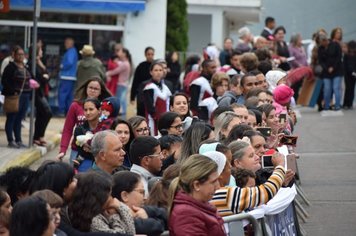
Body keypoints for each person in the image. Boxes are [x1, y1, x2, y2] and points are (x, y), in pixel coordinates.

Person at [168, 154, 226, 236]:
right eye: (213, 182)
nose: (218, 187)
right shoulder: (185, 215)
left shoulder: (200, 205)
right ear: (197, 185)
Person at [56, 77, 111, 162]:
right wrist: (63, 150)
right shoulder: (75, 105)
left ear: (101, 91)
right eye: (90, 88)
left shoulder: (105, 108)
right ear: (86, 88)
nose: (92, 90)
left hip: (97, 151)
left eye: (96, 89)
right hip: (77, 149)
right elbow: (68, 129)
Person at [66, 172, 135, 234]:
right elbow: (123, 234)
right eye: (109, 195)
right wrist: (115, 215)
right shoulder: (93, 220)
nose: (112, 198)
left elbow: (131, 230)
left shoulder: (101, 212)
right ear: (99, 197)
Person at [112, 171, 167, 236]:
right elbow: (156, 227)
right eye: (141, 192)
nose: (144, 197)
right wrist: (146, 219)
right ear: (125, 196)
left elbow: (165, 213)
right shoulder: (116, 217)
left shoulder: (140, 210)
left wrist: (145, 211)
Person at [1, 45, 32, 148]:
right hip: (14, 97)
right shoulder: (10, 67)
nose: (21, 56)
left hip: (25, 96)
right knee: (11, 118)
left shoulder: (26, 66)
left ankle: (18, 140)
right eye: (19, 54)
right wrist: (13, 91)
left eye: (22, 54)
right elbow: (4, 81)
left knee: (19, 118)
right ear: (13, 55)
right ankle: (11, 140)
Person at [28, 44, 52, 147]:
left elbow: (47, 75)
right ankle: (38, 136)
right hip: (37, 93)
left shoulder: (39, 63)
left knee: (41, 115)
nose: (42, 51)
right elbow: (37, 78)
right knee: (47, 113)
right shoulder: (31, 63)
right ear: (36, 52)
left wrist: (45, 76)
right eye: (40, 50)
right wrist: (45, 78)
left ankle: (38, 137)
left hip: (42, 92)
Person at [143, 60, 172, 135]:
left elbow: (168, 105)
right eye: (156, 70)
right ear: (151, 72)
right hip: (153, 120)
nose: (158, 72)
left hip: (165, 120)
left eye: (160, 70)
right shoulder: (149, 87)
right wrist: (158, 118)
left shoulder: (166, 87)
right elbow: (150, 108)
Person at [72, 98, 102, 172]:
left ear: (99, 110)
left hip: (102, 163)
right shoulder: (79, 129)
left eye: (91, 109)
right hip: (84, 162)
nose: (88, 112)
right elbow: (82, 150)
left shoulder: (105, 128)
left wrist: (90, 148)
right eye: (85, 110)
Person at [319, 28, 343, 112]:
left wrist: (333, 67)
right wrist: (327, 68)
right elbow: (321, 61)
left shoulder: (335, 45)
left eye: (323, 42)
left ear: (326, 40)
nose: (322, 44)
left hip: (337, 70)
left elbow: (338, 57)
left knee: (336, 88)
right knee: (327, 89)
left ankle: (337, 105)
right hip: (326, 72)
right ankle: (326, 106)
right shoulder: (320, 48)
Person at [106, 47, 132, 118]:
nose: (118, 53)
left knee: (120, 101)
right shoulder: (125, 63)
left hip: (121, 85)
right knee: (121, 100)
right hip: (123, 85)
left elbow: (116, 71)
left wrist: (107, 73)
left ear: (124, 54)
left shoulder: (125, 64)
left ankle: (122, 117)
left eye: (119, 51)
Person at [131, 46, 155, 116]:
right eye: (148, 54)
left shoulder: (156, 66)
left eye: (152, 54)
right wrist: (132, 96)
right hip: (142, 93)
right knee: (141, 112)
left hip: (153, 93)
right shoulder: (141, 66)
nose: (150, 56)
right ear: (145, 55)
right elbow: (135, 81)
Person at [58, 37, 78, 115]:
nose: (65, 44)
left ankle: (61, 111)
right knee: (69, 95)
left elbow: (69, 62)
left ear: (70, 44)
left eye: (66, 43)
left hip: (66, 76)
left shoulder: (71, 51)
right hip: (71, 77)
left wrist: (62, 66)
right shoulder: (73, 51)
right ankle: (69, 111)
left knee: (63, 94)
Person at [343, 40, 356, 109]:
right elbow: (345, 65)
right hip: (347, 74)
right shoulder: (346, 55)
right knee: (348, 88)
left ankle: (350, 103)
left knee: (352, 88)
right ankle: (346, 103)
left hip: (354, 74)